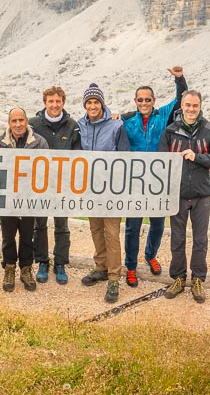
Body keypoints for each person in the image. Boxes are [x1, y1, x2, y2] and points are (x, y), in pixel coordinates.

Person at [119, 66, 188, 287]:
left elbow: (181, 99)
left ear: (154, 100)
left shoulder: (163, 115)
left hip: (158, 180)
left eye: (148, 99)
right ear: (135, 101)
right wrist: (111, 115)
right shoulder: (127, 120)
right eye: (140, 100)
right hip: (135, 181)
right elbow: (105, 121)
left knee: (158, 223)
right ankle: (130, 266)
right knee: (133, 225)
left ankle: (150, 255)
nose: (144, 103)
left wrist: (179, 78)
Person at [160, 90, 210, 304]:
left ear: (200, 106)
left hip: (201, 194)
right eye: (187, 105)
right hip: (177, 194)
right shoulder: (170, 130)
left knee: (200, 240)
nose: (191, 109)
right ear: (182, 105)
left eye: (195, 106)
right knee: (177, 239)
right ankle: (178, 278)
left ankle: (198, 279)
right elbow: (160, 162)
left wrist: (197, 157)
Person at [76, 83, 130, 304]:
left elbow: (125, 157)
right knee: (96, 228)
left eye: (96, 102)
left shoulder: (116, 126)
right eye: (89, 103)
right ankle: (101, 267)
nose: (92, 106)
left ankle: (114, 277)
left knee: (111, 232)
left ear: (102, 104)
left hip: (111, 189)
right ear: (85, 105)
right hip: (90, 188)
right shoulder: (80, 125)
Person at [27, 86, 81, 285]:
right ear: (44, 103)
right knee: (39, 224)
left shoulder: (72, 125)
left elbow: (79, 156)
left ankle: (60, 263)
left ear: (63, 103)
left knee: (62, 225)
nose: (54, 105)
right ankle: (42, 261)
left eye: (58, 101)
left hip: (62, 185)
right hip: (40, 184)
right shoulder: (33, 124)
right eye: (50, 101)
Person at [0, 108, 49, 293]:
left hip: (29, 198)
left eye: (21, 120)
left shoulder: (39, 142)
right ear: (9, 123)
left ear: (27, 121)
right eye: (14, 121)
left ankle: (25, 269)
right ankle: (9, 268)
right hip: (8, 199)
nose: (18, 124)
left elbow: (48, 170)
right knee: (8, 237)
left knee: (27, 236)